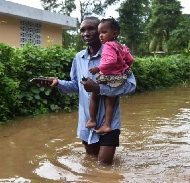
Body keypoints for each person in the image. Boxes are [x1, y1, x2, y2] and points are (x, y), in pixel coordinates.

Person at [37, 16, 136, 165]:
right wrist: (58, 83)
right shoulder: (79, 58)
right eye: (82, 30)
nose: (86, 33)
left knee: (104, 166)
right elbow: (76, 86)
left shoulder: (115, 54)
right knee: (90, 165)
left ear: (101, 32)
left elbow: (131, 85)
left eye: (91, 29)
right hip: (87, 121)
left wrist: (99, 88)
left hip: (109, 122)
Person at [86, 17, 134, 134]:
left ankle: (92, 120)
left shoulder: (108, 46)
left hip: (108, 77)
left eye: (104, 32)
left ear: (114, 33)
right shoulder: (121, 46)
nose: (100, 36)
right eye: (99, 33)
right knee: (109, 102)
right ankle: (107, 125)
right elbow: (130, 59)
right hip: (119, 77)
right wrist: (122, 66)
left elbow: (111, 61)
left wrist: (99, 68)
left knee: (94, 95)